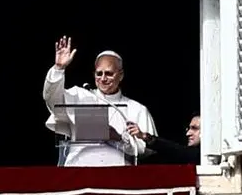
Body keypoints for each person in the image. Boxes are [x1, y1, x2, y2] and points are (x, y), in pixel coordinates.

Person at [43, 35, 157, 167]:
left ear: (121, 75)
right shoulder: (80, 96)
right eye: (99, 74)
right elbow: (52, 98)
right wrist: (59, 69)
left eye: (109, 73)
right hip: (79, 170)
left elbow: (147, 150)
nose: (103, 79)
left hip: (117, 173)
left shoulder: (137, 109)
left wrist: (119, 139)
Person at [127, 115, 200, 165]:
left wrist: (144, 136)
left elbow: (176, 150)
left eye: (194, 128)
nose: (188, 133)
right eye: (188, 129)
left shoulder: (202, 156)